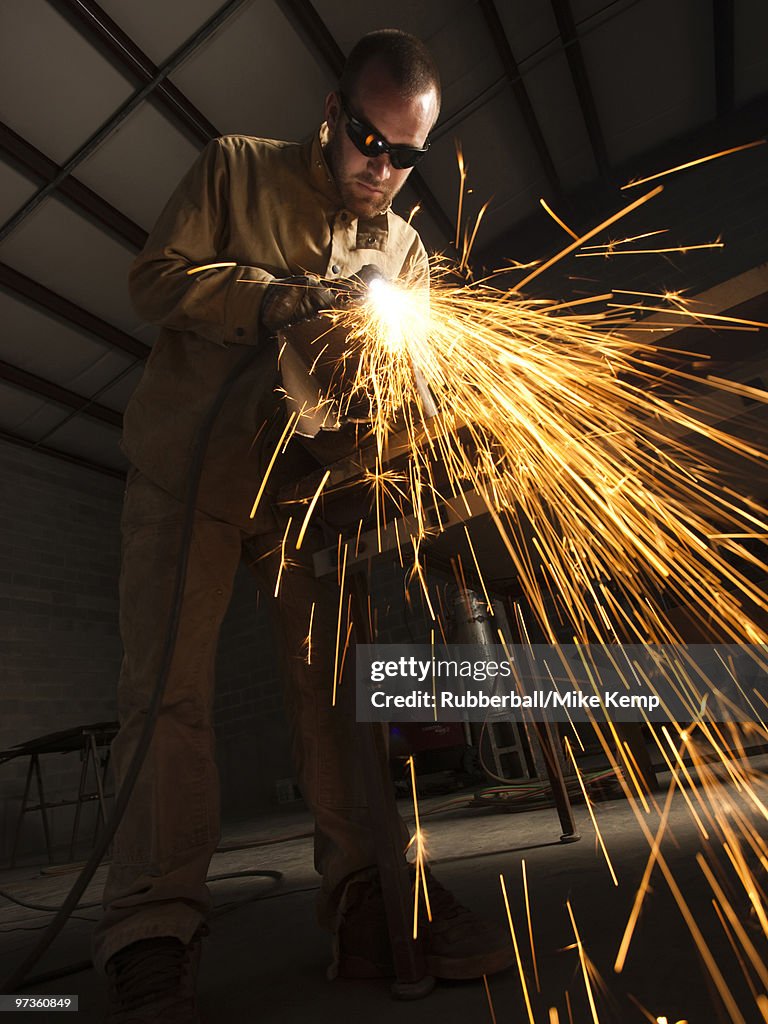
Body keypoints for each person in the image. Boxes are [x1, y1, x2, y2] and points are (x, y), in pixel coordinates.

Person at [95, 29, 512, 1023]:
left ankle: (366, 893)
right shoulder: (236, 168)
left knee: (334, 690)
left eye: (406, 155)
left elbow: (399, 379)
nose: (384, 169)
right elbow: (153, 278)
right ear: (333, 113)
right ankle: (152, 923)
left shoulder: (406, 249)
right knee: (168, 692)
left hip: (302, 491)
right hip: (187, 464)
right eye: (370, 141)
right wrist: (273, 298)